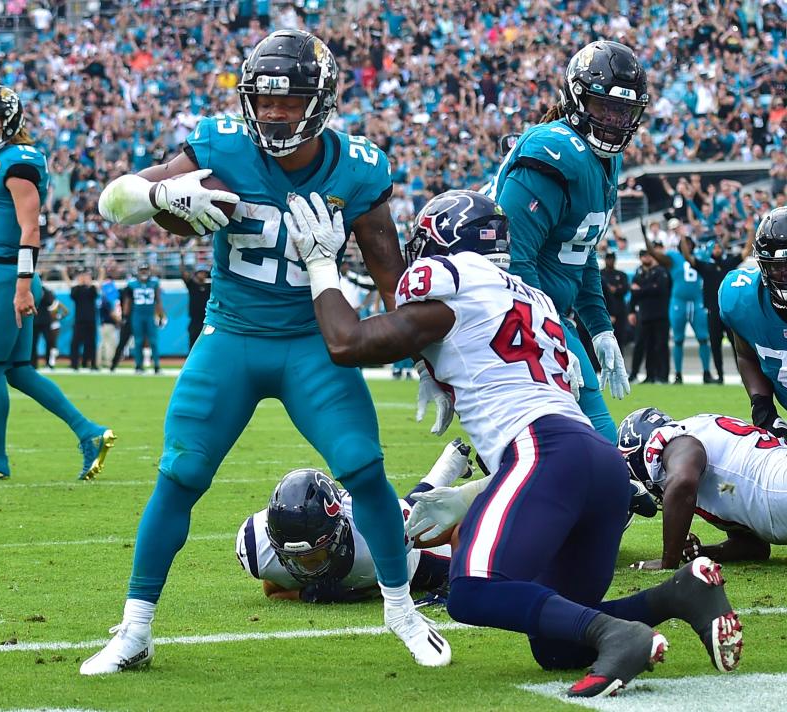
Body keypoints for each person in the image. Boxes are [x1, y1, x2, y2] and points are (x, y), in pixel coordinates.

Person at [86, 29, 450, 674]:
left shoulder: (358, 166)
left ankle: (401, 608)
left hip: (313, 343)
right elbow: (113, 200)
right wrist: (160, 195)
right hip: (230, 337)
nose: (275, 113)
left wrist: (430, 354)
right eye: (265, 100)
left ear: (323, 99)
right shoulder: (222, 145)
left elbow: (391, 273)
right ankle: (135, 629)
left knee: (363, 467)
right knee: (181, 473)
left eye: (291, 101)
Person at [284, 187, 741, 697]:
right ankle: (680, 595)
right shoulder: (533, 297)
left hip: (545, 451)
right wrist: (431, 361)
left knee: (472, 591)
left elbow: (347, 343)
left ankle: (619, 634)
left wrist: (322, 266)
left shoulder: (449, 281)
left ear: (440, 245)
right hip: (597, 463)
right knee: (557, 646)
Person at [0, 36, 115, 482]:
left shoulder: (18, 164)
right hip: (6, 272)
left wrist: (24, 287)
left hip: (7, 273)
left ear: (9, 121)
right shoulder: (4, 155)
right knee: (18, 370)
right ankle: (88, 432)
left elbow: (32, 229)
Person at [484, 40, 648, 443]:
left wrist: (600, 328)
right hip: (503, 309)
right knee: (587, 447)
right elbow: (513, 260)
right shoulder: (555, 151)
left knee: (568, 452)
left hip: (538, 311)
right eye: (603, 107)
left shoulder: (605, 159)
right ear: (577, 99)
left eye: (623, 111)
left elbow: (581, 250)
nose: (613, 121)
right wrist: (551, 335)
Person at [237, 440, 476, 603]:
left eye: (314, 558)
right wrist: (306, 593)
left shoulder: (370, 536)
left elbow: (418, 513)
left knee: (470, 565)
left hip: (409, 558)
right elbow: (273, 587)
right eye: (294, 559)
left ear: (338, 535)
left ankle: (458, 464)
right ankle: (453, 461)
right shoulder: (257, 546)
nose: (306, 567)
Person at [619, 407, 787, 568]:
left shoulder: (672, 439)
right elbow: (755, 548)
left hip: (778, 485)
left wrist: (669, 559)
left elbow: (683, 481)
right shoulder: (724, 480)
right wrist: (703, 553)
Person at [719, 207, 787, 438]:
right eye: (779, 267)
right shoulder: (742, 300)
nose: (786, 274)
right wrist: (763, 410)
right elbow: (746, 354)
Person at [643, 227, 714, 383]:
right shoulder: (673, 258)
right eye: (684, 243)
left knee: (703, 338)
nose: (686, 245)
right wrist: (645, 237)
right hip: (678, 302)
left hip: (697, 302)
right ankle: (678, 374)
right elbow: (654, 254)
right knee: (678, 339)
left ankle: (707, 372)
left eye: (688, 243)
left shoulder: (699, 257)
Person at [681, 233, 752, 384]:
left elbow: (746, 252)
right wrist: (682, 238)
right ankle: (720, 375)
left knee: (736, 345)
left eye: (719, 247)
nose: (718, 249)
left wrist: (751, 230)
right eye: (715, 247)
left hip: (727, 312)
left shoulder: (728, 263)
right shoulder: (706, 266)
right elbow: (688, 258)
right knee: (715, 345)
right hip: (712, 312)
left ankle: (743, 375)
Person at [627, 248, 670, 383]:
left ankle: (662, 376)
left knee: (661, 346)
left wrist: (641, 289)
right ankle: (646, 375)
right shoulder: (639, 272)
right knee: (642, 345)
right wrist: (631, 311)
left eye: (647, 255)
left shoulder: (661, 271)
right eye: (643, 256)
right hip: (644, 314)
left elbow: (660, 289)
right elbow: (633, 293)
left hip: (659, 314)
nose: (645, 258)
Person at [126, 264, 165, 374]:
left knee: (153, 341)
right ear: (138, 271)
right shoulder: (132, 284)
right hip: (137, 315)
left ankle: (157, 365)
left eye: (145, 270)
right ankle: (138, 366)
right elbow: (128, 301)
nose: (144, 272)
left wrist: (161, 315)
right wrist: (125, 316)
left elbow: (158, 300)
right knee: (138, 341)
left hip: (150, 316)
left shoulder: (154, 283)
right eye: (142, 270)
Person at [179, 251, 211, 351]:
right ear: (196, 273)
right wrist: (182, 259)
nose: (203, 274)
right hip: (195, 320)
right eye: (201, 272)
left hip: (207, 319)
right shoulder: (192, 285)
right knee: (193, 343)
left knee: (207, 344)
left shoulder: (210, 285)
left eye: (204, 273)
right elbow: (183, 274)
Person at [69, 269, 98, 371]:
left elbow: (95, 295)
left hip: (91, 320)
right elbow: (73, 296)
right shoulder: (76, 289)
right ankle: (74, 364)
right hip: (79, 320)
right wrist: (79, 284)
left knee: (91, 343)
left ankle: (92, 364)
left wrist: (89, 284)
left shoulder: (92, 288)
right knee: (75, 343)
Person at [600, 252, 630, 347]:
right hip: (604, 309)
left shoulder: (621, 274)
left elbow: (625, 288)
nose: (610, 261)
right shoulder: (599, 274)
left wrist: (615, 290)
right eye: (608, 259)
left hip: (619, 310)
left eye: (612, 259)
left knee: (619, 339)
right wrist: (613, 289)